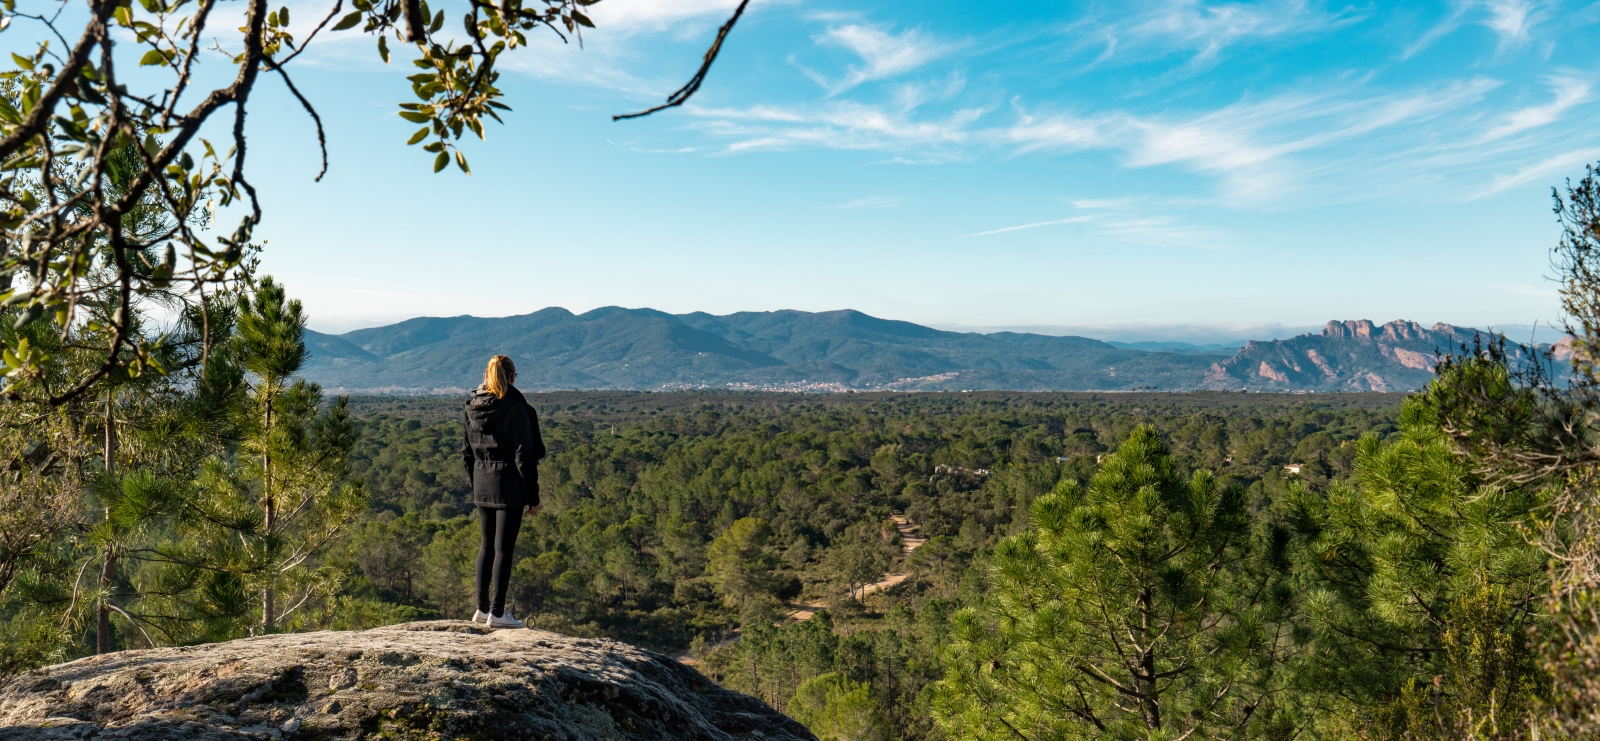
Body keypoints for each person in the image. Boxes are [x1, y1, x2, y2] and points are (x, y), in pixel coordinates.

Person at [461, 354, 545, 628]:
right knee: (503, 550)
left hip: (482, 483)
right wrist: (532, 496)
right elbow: (524, 457)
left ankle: (482, 610)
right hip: (509, 486)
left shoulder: (472, 405)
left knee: (486, 546)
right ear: (512, 378)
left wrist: (478, 485)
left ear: (487, 376)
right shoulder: (515, 408)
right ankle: (498, 613)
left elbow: (467, 453)